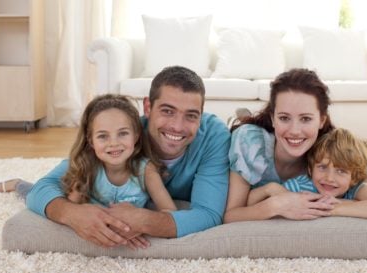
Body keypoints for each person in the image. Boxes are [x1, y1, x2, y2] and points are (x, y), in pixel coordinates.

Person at [20, 66, 230, 248]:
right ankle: (14, 184)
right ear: (148, 107)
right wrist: (73, 214)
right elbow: (43, 187)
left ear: (201, 116)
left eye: (191, 116)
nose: (177, 126)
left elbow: (208, 214)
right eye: (167, 111)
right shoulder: (123, 138)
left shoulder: (213, 136)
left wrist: (145, 221)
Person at [0, 94, 178, 248]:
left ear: (136, 136)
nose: (114, 143)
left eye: (123, 133)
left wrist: (143, 223)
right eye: (103, 136)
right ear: (91, 141)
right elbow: (71, 210)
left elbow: (169, 210)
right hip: (60, 192)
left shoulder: (146, 170)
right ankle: (16, 183)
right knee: (29, 191)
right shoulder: (87, 167)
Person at [224, 68, 367, 223]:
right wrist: (275, 203)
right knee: (242, 127)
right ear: (272, 118)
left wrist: (327, 207)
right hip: (255, 138)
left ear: (321, 120)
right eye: (284, 118)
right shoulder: (250, 143)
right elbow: (231, 215)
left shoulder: (326, 150)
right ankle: (243, 118)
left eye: (306, 119)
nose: (295, 131)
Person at [246, 128, 367, 220]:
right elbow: (250, 203)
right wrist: (269, 189)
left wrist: (330, 209)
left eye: (341, 171)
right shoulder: (301, 185)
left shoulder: (356, 189)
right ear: (310, 169)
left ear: (353, 177)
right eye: (322, 167)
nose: (329, 178)